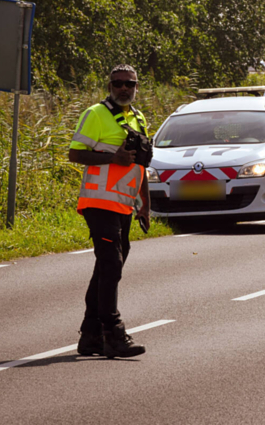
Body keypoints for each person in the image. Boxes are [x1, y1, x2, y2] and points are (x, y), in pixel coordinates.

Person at [68, 64, 151, 359]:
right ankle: (113, 333)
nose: (124, 88)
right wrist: (111, 157)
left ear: (136, 86)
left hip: (124, 205)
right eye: (118, 83)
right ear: (110, 85)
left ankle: (90, 336)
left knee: (106, 267)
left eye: (129, 83)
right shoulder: (96, 114)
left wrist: (144, 205)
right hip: (98, 202)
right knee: (112, 264)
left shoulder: (138, 118)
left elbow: (140, 164)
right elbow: (75, 153)